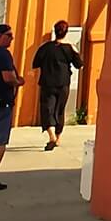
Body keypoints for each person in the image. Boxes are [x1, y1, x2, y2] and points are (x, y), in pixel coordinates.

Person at [31, 21, 81, 151]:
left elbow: (35, 63)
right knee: (60, 110)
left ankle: (52, 136)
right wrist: (75, 51)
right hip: (63, 83)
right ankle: (58, 138)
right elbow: (79, 64)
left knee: (48, 109)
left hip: (47, 83)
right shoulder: (69, 48)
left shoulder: (45, 47)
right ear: (66, 32)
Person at [0, 23, 25, 190]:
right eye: (8, 35)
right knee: (0, 141)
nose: (11, 39)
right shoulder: (3, 54)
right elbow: (8, 77)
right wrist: (18, 82)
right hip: (2, 103)